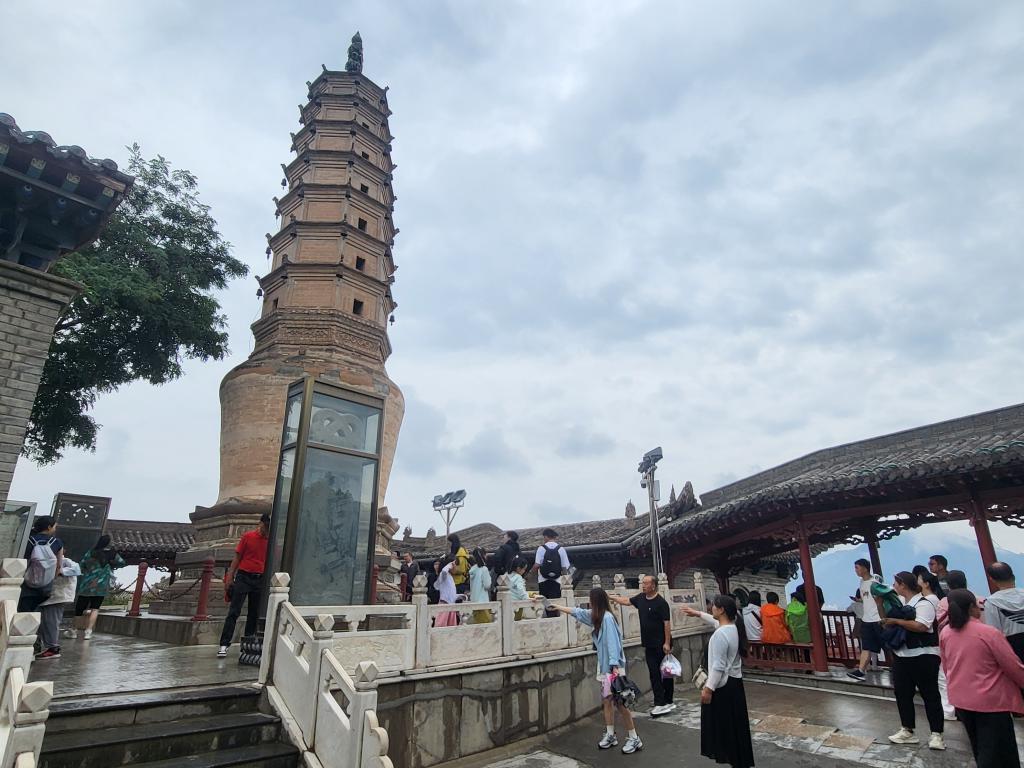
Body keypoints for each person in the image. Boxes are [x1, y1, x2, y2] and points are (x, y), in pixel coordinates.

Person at [546, 589, 642, 754]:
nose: (589, 603)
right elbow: (579, 612)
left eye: (591, 600)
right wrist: (557, 607)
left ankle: (634, 738)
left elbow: (613, 643)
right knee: (607, 700)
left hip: (613, 668)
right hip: (605, 666)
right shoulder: (597, 616)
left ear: (596, 601)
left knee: (620, 703)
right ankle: (610, 734)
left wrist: (613, 668)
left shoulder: (607, 619)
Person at [940, 588, 1024, 768]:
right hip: (990, 701)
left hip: (961, 699)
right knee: (996, 751)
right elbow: (1012, 666)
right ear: (972, 607)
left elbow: (947, 666)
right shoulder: (988, 633)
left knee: (979, 746)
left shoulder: (946, 632)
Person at [681, 596, 755, 768]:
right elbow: (714, 623)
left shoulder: (721, 635)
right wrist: (697, 613)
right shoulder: (732, 628)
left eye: (713, 606)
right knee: (735, 727)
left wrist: (708, 689)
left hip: (723, 686)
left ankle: (734, 760)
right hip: (734, 685)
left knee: (724, 728)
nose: (711, 608)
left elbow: (718, 666)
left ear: (721, 610)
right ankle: (738, 761)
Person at [882, 571, 945, 750]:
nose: (894, 586)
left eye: (896, 583)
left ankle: (936, 734)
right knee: (902, 694)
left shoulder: (924, 603)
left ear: (903, 585)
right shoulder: (903, 604)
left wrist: (898, 622)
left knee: (930, 694)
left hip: (923, 654)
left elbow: (922, 625)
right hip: (902, 655)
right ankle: (907, 729)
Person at [610, 575, 674, 716]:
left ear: (653, 585)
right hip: (649, 644)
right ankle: (660, 702)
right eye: (642, 583)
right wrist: (613, 598)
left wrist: (667, 643)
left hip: (661, 645)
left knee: (666, 674)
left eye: (645, 583)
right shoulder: (641, 598)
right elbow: (627, 601)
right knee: (654, 673)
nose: (643, 585)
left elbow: (667, 623)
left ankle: (666, 701)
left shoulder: (661, 603)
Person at [217, 513, 269, 659]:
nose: (267, 530)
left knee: (254, 614)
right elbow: (237, 558)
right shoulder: (248, 537)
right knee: (234, 611)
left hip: (260, 579)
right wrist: (230, 577)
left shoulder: (271, 541)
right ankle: (224, 644)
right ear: (261, 524)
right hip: (243, 576)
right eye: (266, 526)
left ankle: (248, 643)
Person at [917, 569, 954, 720]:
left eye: (918, 579)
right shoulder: (935, 598)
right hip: (938, 641)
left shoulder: (930, 600)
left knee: (942, 677)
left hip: (936, 642)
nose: (916, 581)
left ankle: (948, 709)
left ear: (926, 583)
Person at [74, 534, 126, 639]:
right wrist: (111, 564)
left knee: (79, 608)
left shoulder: (91, 553)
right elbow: (122, 563)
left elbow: (82, 565)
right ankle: (88, 631)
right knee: (95, 608)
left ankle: (74, 630)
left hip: (87, 584)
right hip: (101, 585)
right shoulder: (112, 554)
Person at [36, 558, 80, 660]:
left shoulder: (67, 561)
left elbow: (76, 570)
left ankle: (52, 648)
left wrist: (59, 571)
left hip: (58, 597)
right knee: (45, 622)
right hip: (51, 597)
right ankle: (47, 646)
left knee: (51, 622)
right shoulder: (50, 560)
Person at [18, 516, 64, 613]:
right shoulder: (57, 542)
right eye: (55, 527)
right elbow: (59, 566)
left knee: (23, 612)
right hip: (45, 587)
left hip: (26, 585)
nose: (55, 529)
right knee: (37, 613)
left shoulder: (28, 540)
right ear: (49, 527)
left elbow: (21, 561)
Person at [982, 562, 1024, 664]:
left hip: (1013, 648)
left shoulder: (992, 602)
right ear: (1012, 576)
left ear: (992, 579)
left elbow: (995, 633)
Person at [848, 560, 883, 681]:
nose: (856, 570)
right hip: (866, 619)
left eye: (857, 568)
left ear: (865, 568)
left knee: (887, 645)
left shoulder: (875, 582)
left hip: (878, 619)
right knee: (866, 646)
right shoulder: (862, 583)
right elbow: (867, 599)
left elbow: (881, 599)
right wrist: (859, 601)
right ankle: (861, 670)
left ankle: (898, 669)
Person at [532, 529, 569, 616]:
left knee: (545, 604)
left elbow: (537, 564)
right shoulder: (561, 549)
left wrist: (529, 574)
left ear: (545, 537)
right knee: (556, 604)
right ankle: (555, 619)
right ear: (554, 537)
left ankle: (549, 618)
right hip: (557, 581)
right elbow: (565, 567)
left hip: (543, 581)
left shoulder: (541, 548)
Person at [469, 548, 492, 624]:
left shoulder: (472, 569)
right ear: (484, 555)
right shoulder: (484, 569)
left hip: (474, 600)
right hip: (482, 601)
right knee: (486, 624)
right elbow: (487, 585)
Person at [433, 557, 459, 627]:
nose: (456, 568)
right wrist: (450, 565)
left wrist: (459, 596)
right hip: (444, 603)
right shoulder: (444, 574)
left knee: (451, 627)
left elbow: (450, 592)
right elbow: (444, 571)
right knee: (440, 625)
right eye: (456, 565)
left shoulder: (450, 576)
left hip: (451, 604)